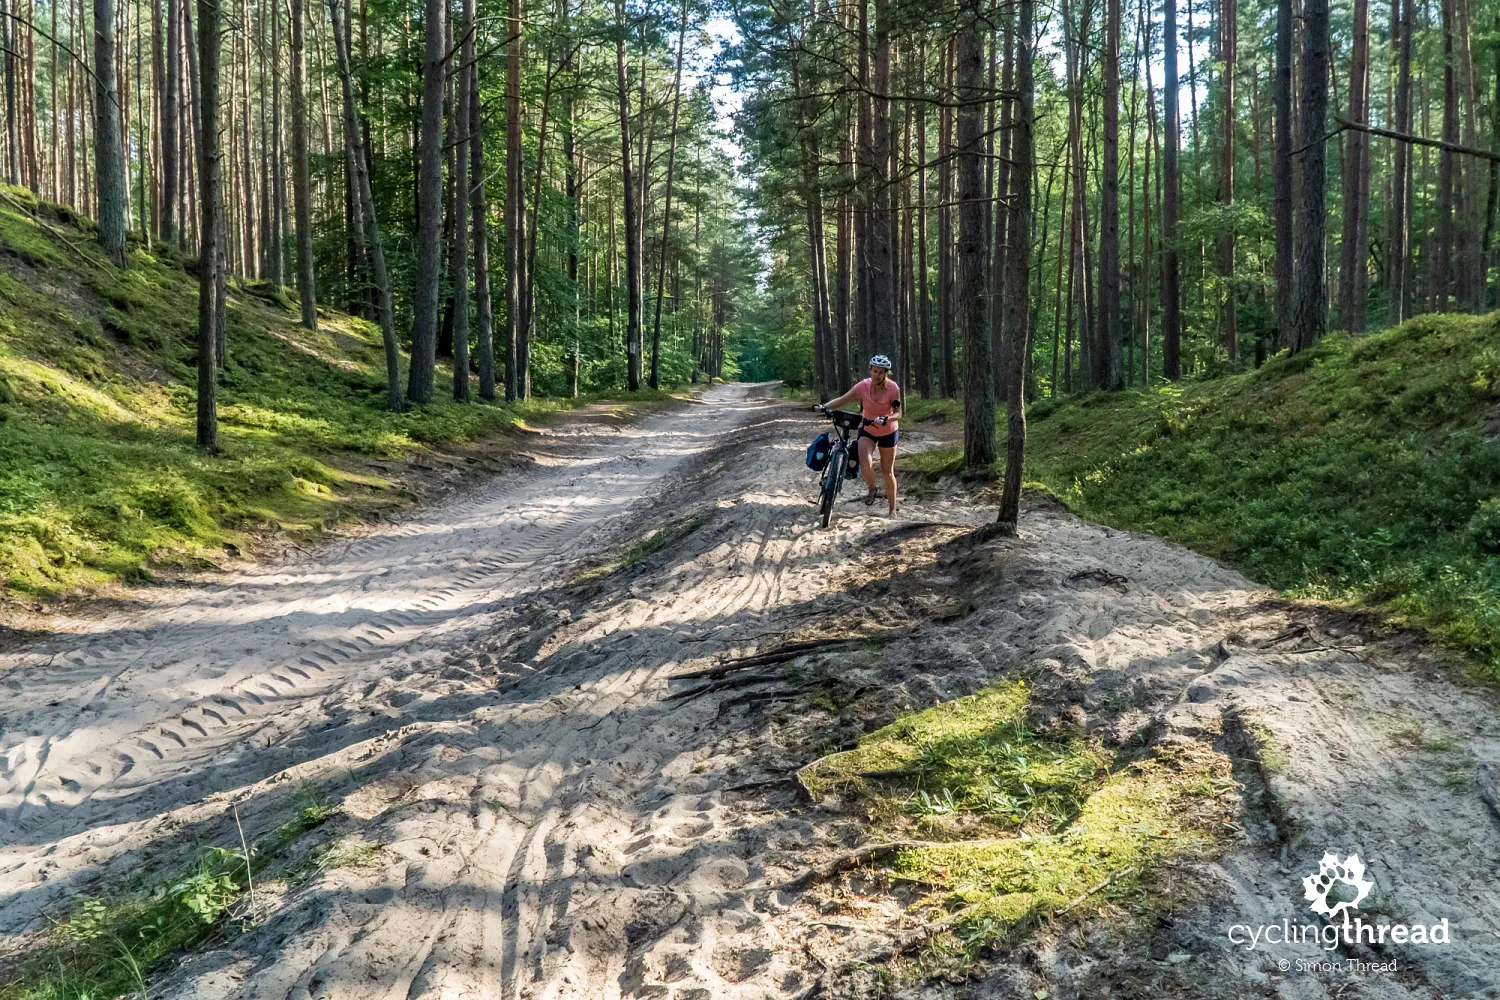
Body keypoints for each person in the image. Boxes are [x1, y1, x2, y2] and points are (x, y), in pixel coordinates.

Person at [814, 355, 901, 514]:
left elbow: (898, 413)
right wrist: (824, 407)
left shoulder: (893, 388)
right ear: (870, 370)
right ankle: (872, 488)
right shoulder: (863, 386)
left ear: (886, 374)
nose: (877, 375)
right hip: (867, 428)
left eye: (881, 372)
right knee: (865, 461)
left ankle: (892, 510)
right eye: (875, 371)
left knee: (887, 471)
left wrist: (887, 418)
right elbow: (842, 399)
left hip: (888, 431)